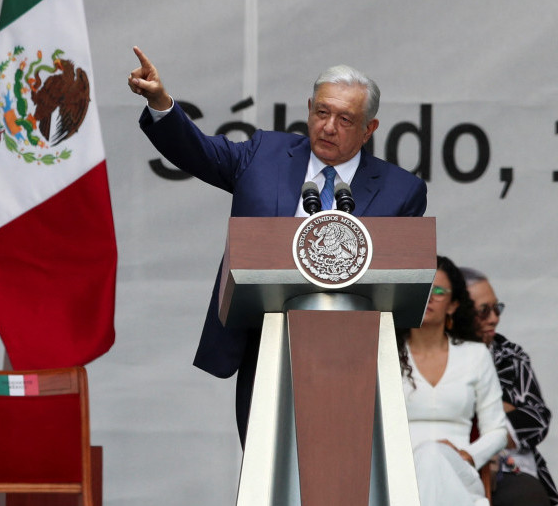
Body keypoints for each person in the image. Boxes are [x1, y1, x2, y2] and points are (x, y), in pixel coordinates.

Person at [127, 47, 427, 444]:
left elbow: (397, 280)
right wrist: (160, 103)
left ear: (369, 129)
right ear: (308, 109)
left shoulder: (401, 191)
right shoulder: (264, 154)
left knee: (338, 477)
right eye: (321, 112)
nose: (328, 127)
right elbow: (197, 151)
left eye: (345, 119)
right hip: (265, 343)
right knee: (266, 471)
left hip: (351, 356)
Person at [397, 256, 507, 506]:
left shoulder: (475, 354)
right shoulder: (387, 352)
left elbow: (498, 430)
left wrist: (469, 455)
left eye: (437, 290)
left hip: (460, 470)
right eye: (422, 288)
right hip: (401, 470)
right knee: (428, 459)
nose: (429, 297)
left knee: (433, 456)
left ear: (453, 304)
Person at [461, 267, 558, 505]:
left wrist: (483, 425)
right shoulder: (434, 354)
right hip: (450, 463)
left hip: (513, 469)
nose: (494, 318)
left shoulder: (510, 355)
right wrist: (501, 409)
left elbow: (538, 419)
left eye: (497, 308)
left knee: (526, 494)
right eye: (483, 311)